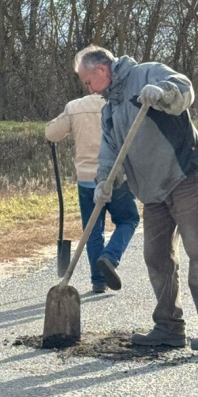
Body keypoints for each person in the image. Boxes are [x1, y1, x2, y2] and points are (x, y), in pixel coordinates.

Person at [74, 44, 198, 351]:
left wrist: (162, 93)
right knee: (156, 256)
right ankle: (169, 327)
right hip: (150, 190)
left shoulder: (147, 72)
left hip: (183, 175)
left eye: (87, 81)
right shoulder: (110, 109)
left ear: (102, 71)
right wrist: (105, 182)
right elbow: (109, 152)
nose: (89, 89)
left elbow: (185, 90)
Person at [45, 94, 140, 294]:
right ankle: (110, 257)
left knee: (92, 231)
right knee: (129, 220)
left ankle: (98, 281)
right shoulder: (121, 103)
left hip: (87, 180)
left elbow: (51, 133)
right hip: (116, 177)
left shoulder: (76, 106)